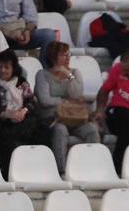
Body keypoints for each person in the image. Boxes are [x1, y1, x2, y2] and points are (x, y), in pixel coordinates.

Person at [35, 41, 99, 171]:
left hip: (75, 119)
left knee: (92, 129)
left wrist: (69, 77)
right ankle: (61, 170)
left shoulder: (75, 73)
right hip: (53, 118)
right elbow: (44, 100)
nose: (68, 58)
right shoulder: (42, 74)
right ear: (53, 57)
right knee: (61, 130)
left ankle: (92, 168)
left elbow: (76, 94)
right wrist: (65, 101)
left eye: (68, 54)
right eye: (64, 55)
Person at [0, 49, 45, 174]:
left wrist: (23, 111)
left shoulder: (21, 82)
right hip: (2, 120)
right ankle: (9, 172)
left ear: (13, 68)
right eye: (0, 66)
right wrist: (7, 114)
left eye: (6, 67)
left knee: (42, 129)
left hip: (22, 117)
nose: (2, 70)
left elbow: (31, 100)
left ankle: (41, 169)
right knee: (9, 136)